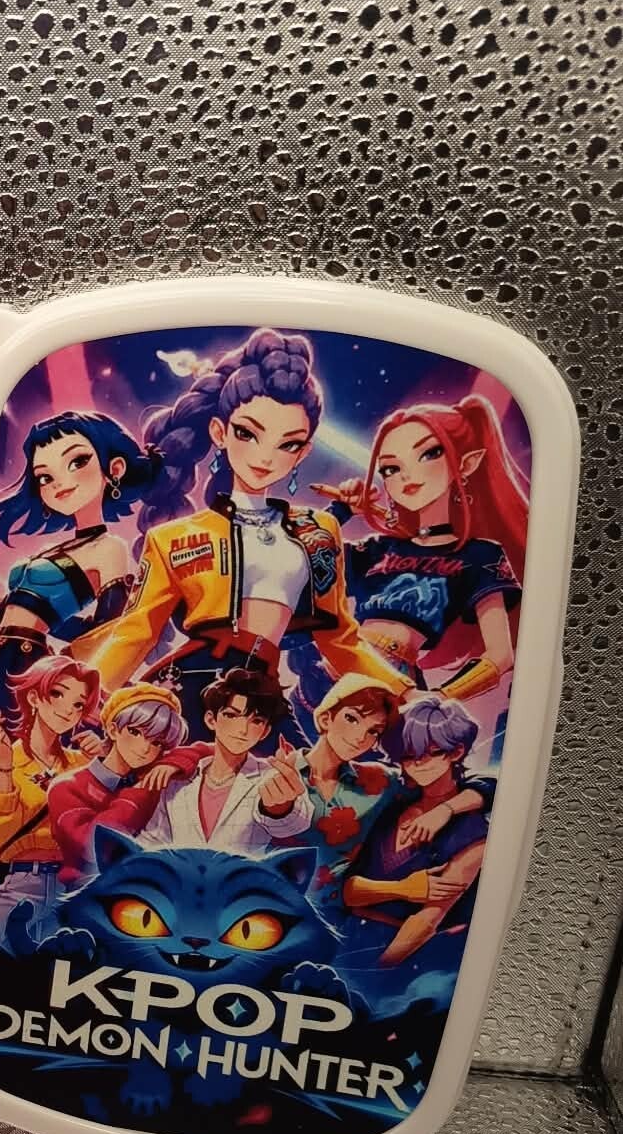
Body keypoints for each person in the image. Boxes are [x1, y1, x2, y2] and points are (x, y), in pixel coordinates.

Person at [70, 328, 406, 732]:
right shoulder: (172, 539)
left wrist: (404, 692)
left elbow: (340, 638)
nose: (265, 457)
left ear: (304, 451)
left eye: (288, 444)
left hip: (264, 692)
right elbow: (136, 632)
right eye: (248, 433)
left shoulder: (318, 530)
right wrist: (84, 700)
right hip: (195, 686)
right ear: (220, 432)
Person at [312, 393, 526, 701]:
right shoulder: (377, 548)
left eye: (429, 454)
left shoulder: (480, 555)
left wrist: (440, 698)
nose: (406, 476)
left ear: (467, 463)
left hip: (392, 684)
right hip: (335, 664)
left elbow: (500, 655)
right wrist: (341, 511)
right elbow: (302, 560)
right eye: (390, 468)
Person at [0, 411, 159, 728]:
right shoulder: (54, 549)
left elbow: (108, 626)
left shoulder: (108, 548)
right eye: (45, 477)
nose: (58, 483)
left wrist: (65, 664)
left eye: (77, 462)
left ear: (115, 469)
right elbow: (24, 602)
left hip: (22, 657)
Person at [0, 654, 103, 946]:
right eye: (57, 694)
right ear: (34, 697)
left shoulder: (84, 764)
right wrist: (5, 763)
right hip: (18, 882)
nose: (68, 709)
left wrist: (102, 766)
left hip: (72, 889)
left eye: (78, 704)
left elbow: (107, 830)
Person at [343, 695, 494, 964]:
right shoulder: (393, 805)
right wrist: (402, 888)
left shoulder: (472, 831)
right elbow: (349, 890)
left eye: (429, 753)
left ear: (456, 752)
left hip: (398, 951)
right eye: (408, 756)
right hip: (346, 932)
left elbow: (428, 919)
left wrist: (379, 968)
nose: (417, 764)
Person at [141, 667, 312, 854]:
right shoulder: (179, 780)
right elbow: (153, 839)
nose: (242, 729)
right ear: (211, 720)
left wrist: (280, 808)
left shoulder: (270, 777)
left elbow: (296, 822)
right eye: (231, 715)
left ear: (265, 731)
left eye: (256, 720)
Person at [48, 684, 206, 881]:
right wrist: (137, 795)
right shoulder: (68, 787)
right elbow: (93, 848)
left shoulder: (152, 777)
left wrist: (173, 764)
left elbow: (214, 749)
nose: (145, 748)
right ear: (113, 730)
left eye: (156, 742)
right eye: (135, 732)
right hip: (87, 890)